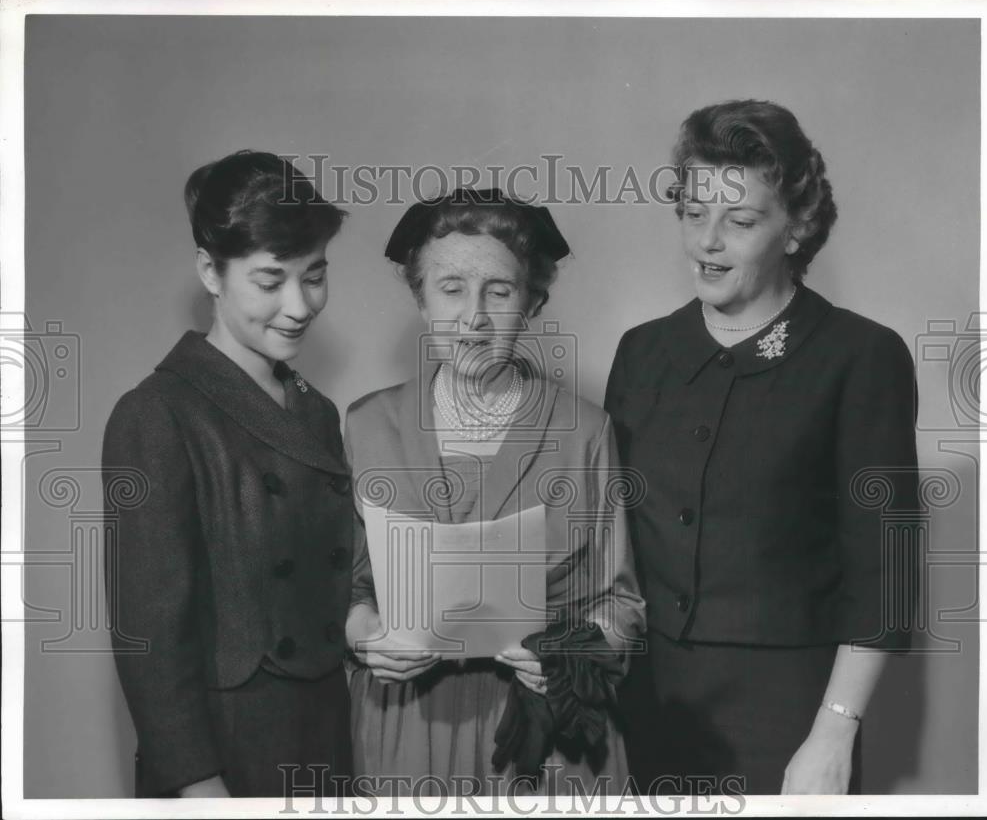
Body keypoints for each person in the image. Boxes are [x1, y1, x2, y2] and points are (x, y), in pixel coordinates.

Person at [604, 100, 920, 795]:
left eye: (740, 221)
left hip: (789, 714)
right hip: (645, 702)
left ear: (796, 226)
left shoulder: (860, 356)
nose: (707, 242)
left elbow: (886, 570)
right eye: (692, 214)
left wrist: (835, 732)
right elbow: (608, 543)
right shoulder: (643, 352)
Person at [344, 189, 646, 796]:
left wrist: (566, 658)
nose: (473, 317)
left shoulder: (586, 430)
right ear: (421, 300)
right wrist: (364, 635)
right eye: (451, 287)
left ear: (532, 301)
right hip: (409, 724)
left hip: (545, 732)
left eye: (499, 291)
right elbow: (352, 588)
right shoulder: (367, 424)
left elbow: (623, 605)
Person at [102, 150, 357, 797]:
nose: (300, 305)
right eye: (271, 281)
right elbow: (150, 637)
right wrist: (197, 783)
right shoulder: (156, 414)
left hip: (325, 734)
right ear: (209, 273)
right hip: (225, 754)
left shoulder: (318, 413)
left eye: (315, 275)